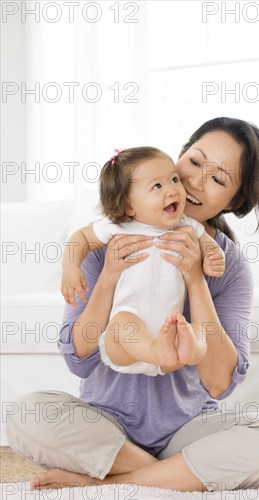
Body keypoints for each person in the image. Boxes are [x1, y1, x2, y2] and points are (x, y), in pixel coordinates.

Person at [5, 117, 259, 493]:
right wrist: (111, 274)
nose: (195, 183)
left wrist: (196, 279)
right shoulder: (109, 241)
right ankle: (174, 475)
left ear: (236, 200)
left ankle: (109, 481)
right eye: (195, 163)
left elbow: (219, 383)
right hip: (106, 423)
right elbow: (78, 359)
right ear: (178, 156)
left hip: (188, 430)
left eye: (218, 179)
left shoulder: (226, 264)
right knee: (23, 414)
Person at [61, 146, 225, 377]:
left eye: (174, 179)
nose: (172, 190)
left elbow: (212, 248)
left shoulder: (187, 227)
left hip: (168, 336)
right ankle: (158, 349)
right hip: (125, 347)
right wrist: (70, 267)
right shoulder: (119, 227)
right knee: (121, 323)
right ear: (128, 205)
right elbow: (80, 238)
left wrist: (212, 260)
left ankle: (188, 349)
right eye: (157, 186)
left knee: (197, 331)